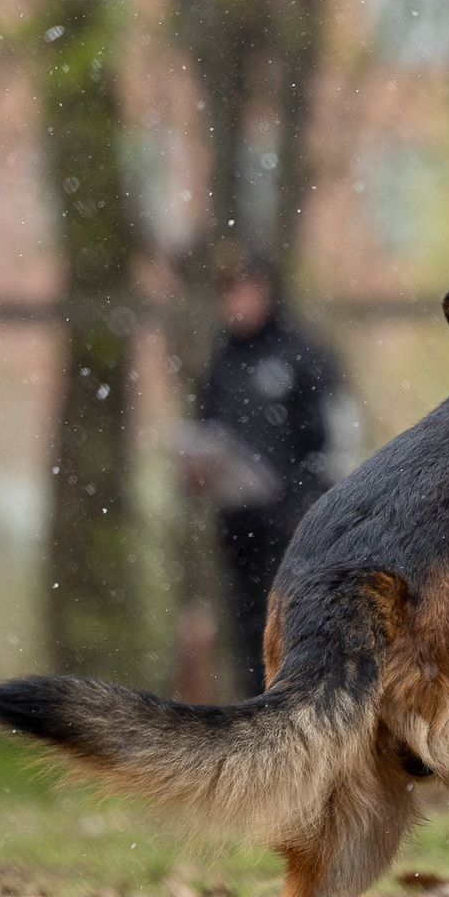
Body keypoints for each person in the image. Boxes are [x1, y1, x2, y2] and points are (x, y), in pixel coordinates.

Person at [184, 253, 347, 698]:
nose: (233, 302)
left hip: (296, 529)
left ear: (264, 289)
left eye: (241, 289)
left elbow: (333, 445)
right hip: (238, 524)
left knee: (294, 631)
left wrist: (296, 503)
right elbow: (206, 431)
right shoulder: (221, 362)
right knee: (246, 631)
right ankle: (249, 716)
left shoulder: (304, 354)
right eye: (225, 293)